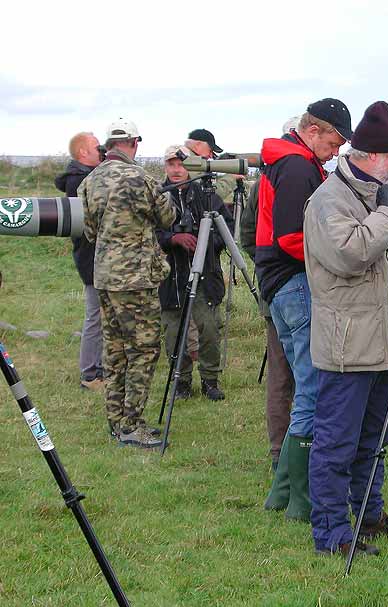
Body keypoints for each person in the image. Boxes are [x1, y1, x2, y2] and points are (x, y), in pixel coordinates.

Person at [304, 101, 388, 557]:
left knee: (375, 436)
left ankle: (369, 516)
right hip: (347, 341)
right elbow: (350, 254)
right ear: (372, 157)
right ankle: (332, 533)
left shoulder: (374, 193)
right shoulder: (329, 199)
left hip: (381, 335)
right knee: (336, 440)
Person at [256, 98, 352, 520]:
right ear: (313, 131)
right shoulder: (297, 168)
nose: (335, 152)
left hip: (278, 283)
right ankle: (301, 499)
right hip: (294, 282)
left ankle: (281, 493)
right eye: (334, 142)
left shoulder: (285, 160)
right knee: (312, 389)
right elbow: (292, 237)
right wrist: (338, 256)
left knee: (301, 387)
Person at [79, 119, 175, 449]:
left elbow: (89, 230)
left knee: (115, 348)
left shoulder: (91, 180)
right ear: (133, 142)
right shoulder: (140, 178)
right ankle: (131, 423)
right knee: (144, 349)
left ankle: (116, 419)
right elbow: (167, 218)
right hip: (135, 277)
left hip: (104, 274)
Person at [239, 115, 300, 472]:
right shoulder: (277, 179)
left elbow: (249, 235)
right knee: (285, 375)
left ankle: (286, 449)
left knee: (285, 374)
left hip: (277, 284)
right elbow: (249, 234)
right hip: (285, 284)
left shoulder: (269, 178)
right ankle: (282, 452)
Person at [156, 145, 234, 401]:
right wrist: (173, 239)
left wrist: (203, 242)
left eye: (182, 164)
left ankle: (211, 380)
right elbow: (148, 232)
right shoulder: (156, 195)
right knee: (173, 332)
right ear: (165, 167)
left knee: (209, 328)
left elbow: (227, 231)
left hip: (205, 276)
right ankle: (182, 383)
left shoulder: (207, 195)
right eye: (171, 165)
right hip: (170, 274)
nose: (177, 170)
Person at [55, 131, 104, 391]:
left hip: (92, 255)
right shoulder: (81, 181)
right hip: (91, 256)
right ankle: (90, 374)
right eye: (97, 147)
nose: (103, 150)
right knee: (95, 317)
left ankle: (98, 369)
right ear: (83, 153)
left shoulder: (83, 177)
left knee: (101, 315)